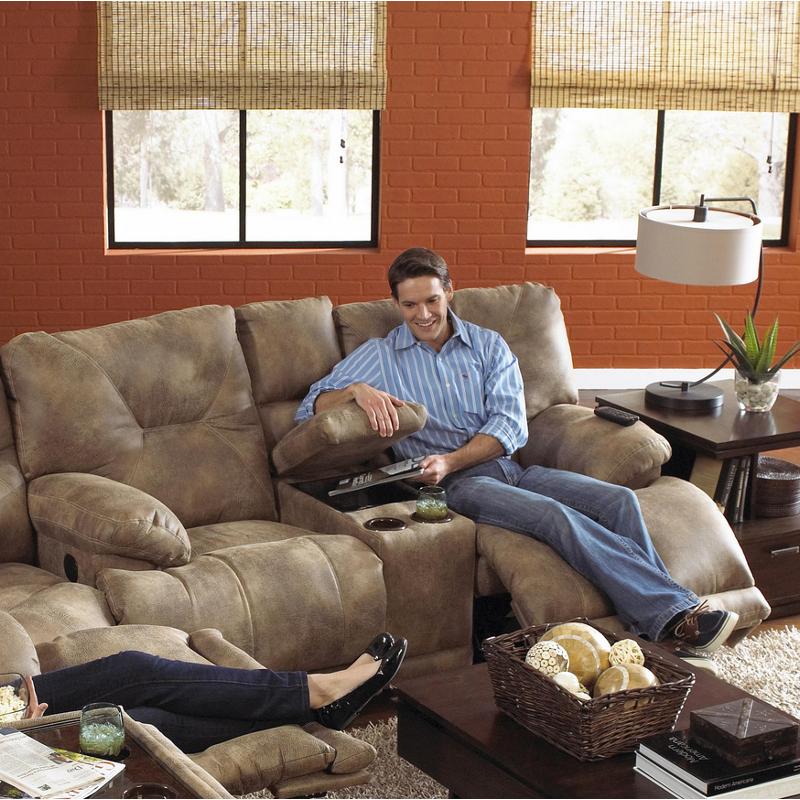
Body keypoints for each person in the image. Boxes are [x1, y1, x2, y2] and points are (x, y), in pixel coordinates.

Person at [296, 247, 739, 654]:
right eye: (410, 305)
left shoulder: (488, 345)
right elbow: (307, 407)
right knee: (554, 515)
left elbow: (510, 425)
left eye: (431, 300)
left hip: (509, 469)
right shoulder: (381, 355)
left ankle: (654, 624)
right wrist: (355, 391)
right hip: (455, 486)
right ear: (396, 304)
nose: (423, 314)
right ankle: (681, 619)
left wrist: (455, 457)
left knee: (618, 500)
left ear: (449, 292)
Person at [18, 633, 406, 753]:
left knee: (133, 668)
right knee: (140, 724)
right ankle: (313, 700)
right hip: (13, 746)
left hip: (8, 706)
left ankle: (313, 696)